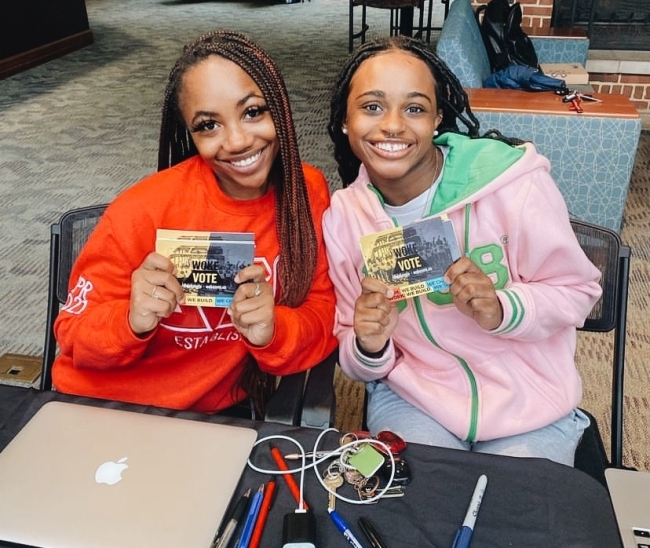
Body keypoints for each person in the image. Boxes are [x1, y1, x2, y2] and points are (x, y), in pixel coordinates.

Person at [322, 35, 602, 466]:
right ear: (345, 120)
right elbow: (356, 363)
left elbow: (579, 291)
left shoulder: (515, 184)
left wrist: (502, 308)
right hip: (414, 400)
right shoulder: (343, 217)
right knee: (412, 510)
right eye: (372, 106)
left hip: (532, 403)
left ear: (437, 118)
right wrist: (369, 344)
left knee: (516, 523)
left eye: (414, 108)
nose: (393, 125)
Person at [53, 30, 337, 418]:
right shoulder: (142, 211)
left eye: (253, 112)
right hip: (102, 405)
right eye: (208, 125)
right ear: (190, 133)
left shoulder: (307, 194)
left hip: (213, 413)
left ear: (280, 107)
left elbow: (322, 310)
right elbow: (72, 334)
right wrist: (130, 321)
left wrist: (275, 331)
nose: (237, 141)